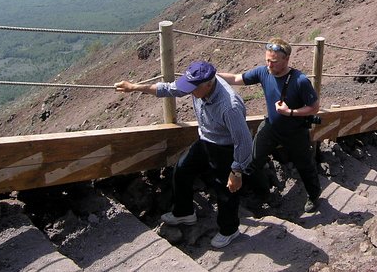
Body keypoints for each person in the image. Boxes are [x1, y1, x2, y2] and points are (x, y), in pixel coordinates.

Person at [114, 60, 253, 249]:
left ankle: (229, 230)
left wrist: (236, 171)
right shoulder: (199, 86)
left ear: (209, 85)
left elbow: (243, 141)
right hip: (206, 139)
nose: (188, 92)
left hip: (225, 148)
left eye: (192, 88)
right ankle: (185, 212)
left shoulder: (229, 106)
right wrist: (135, 87)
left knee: (226, 191)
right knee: (182, 168)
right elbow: (170, 89)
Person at [219, 38, 322, 213]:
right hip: (272, 127)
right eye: (267, 59)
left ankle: (313, 195)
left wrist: (290, 112)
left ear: (286, 60)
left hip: (296, 131)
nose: (269, 64)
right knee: (252, 160)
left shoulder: (300, 80)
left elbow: (314, 107)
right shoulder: (263, 72)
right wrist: (212, 74)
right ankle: (261, 194)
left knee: (305, 165)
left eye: (273, 61)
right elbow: (237, 78)